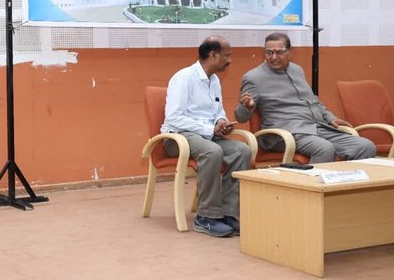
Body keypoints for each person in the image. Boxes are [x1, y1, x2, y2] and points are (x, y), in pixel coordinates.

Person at [234, 32, 376, 163]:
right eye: (269, 52)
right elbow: (241, 117)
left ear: (290, 51)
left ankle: (348, 182)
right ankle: (315, 183)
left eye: (279, 52)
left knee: (365, 146)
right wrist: (246, 107)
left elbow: (312, 100)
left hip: (315, 127)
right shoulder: (253, 77)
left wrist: (329, 117)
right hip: (285, 134)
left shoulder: (297, 70)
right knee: (324, 149)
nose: (274, 57)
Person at [161, 36, 250, 237]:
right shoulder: (184, 78)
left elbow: (217, 110)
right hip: (178, 137)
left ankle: (227, 213)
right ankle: (206, 217)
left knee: (242, 151)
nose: (230, 60)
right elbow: (174, 117)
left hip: (206, 136)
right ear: (213, 55)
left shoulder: (214, 80)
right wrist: (210, 129)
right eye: (227, 55)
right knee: (212, 152)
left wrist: (221, 122)